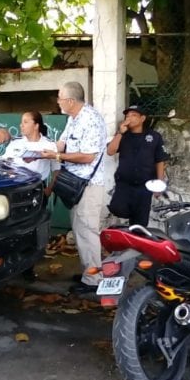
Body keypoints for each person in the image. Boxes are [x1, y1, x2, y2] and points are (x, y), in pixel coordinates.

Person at [41, 82, 108, 294]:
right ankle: (89, 271)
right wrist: (43, 149)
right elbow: (62, 143)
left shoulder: (91, 120)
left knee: (87, 231)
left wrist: (58, 156)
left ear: (70, 101)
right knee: (79, 229)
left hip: (88, 185)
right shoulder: (73, 118)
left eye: (60, 97)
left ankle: (94, 280)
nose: (58, 101)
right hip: (75, 183)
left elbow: (88, 156)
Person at [3, 111, 60, 282]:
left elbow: (57, 169)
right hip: (15, 191)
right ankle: (10, 264)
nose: (22, 125)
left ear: (36, 125)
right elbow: (4, 165)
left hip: (37, 191)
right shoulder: (15, 144)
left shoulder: (49, 145)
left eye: (26, 122)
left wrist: (49, 189)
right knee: (14, 229)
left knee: (34, 230)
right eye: (21, 122)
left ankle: (28, 268)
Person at [107, 105, 169, 227]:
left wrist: (160, 183)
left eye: (134, 115)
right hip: (124, 185)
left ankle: (136, 241)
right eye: (127, 115)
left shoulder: (154, 137)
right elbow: (110, 151)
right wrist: (120, 133)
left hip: (144, 186)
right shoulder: (122, 135)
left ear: (142, 118)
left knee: (140, 223)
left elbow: (160, 160)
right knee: (117, 208)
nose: (129, 118)